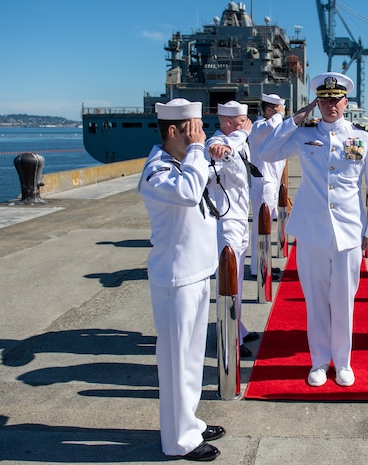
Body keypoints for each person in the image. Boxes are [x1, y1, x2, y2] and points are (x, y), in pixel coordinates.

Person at [259, 72, 368, 387]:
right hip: (313, 230)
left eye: (336, 99)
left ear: (346, 102)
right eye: (325, 100)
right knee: (315, 299)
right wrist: (293, 119)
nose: (331, 105)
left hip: (348, 231)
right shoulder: (304, 133)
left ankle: (342, 362)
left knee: (344, 299)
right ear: (318, 102)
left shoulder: (363, 135)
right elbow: (267, 153)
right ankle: (318, 361)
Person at [137, 98, 224, 461]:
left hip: (196, 271)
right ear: (173, 131)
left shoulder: (184, 160)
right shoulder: (157, 170)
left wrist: (207, 150)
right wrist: (199, 150)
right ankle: (177, 441)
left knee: (190, 359)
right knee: (174, 363)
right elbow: (189, 194)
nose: (199, 133)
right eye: (193, 128)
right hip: (176, 277)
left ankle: (188, 421)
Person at [205, 100, 258, 358]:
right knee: (227, 278)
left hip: (239, 216)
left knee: (238, 277)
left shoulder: (238, 141)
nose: (245, 125)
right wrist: (240, 135)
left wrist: (240, 136)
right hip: (225, 219)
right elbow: (222, 151)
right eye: (240, 122)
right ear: (227, 123)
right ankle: (229, 338)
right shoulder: (214, 144)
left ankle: (238, 325)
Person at [248, 93, 287, 277]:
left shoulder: (272, 128)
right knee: (261, 228)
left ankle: (264, 263)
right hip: (263, 184)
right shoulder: (259, 127)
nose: (283, 113)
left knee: (266, 228)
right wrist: (279, 114)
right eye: (280, 109)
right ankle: (258, 268)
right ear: (270, 110)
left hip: (269, 184)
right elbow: (272, 125)